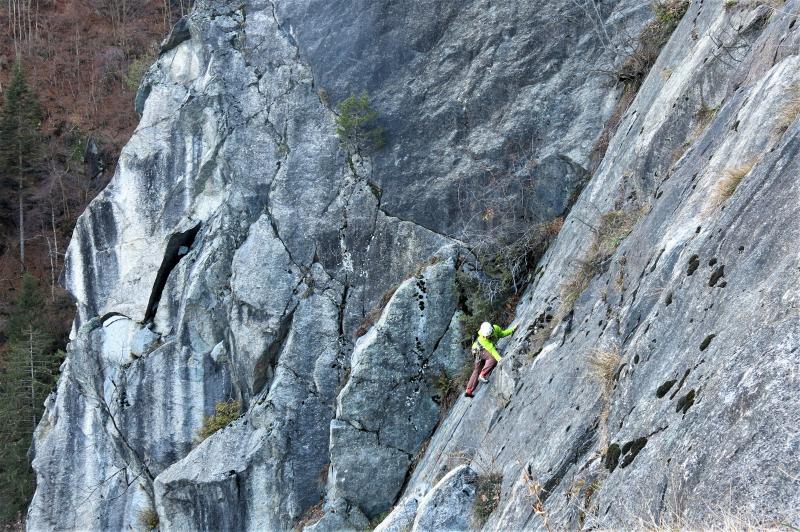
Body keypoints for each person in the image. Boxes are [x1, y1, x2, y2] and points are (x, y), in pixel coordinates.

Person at [464, 321, 515, 397]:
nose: (486, 337)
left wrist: (512, 329)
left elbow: (502, 334)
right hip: (478, 350)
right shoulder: (482, 338)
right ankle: (482, 375)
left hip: (479, 350)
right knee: (492, 359)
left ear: (491, 332)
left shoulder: (495, 328)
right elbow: (491, 350)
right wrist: (500, 359)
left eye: (487, 336)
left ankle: (469, 391)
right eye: (485, 336)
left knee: (477, 369)